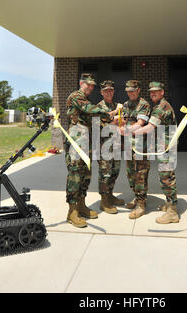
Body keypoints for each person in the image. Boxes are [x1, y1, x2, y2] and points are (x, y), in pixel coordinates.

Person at [65, 73, 121, 228]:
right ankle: (72, 212)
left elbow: (94, 118)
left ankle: (81, 205)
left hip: (86, 143)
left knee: (85, 176)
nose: (90, 87)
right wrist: (110, 116)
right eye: (87, 84)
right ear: (81, 83)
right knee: (75, 176)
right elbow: (91, 110)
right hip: (76, 144)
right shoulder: (76, 96)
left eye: (92, 86)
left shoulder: (86, 99)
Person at [132, 82, 179, 224]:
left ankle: (173, 213)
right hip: (163, 147)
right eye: (151, 92)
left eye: (156, 92)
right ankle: (169, 205)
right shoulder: (159, 106)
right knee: (165, 177)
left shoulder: (162, 107)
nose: (153, 94)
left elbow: (149, 128)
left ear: (162, 92)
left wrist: (128, 132)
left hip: (166, 149)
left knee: (167, 178)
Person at [119, 80, 152, 219]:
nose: (130, 93)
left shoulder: (143, 104)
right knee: (131, 174)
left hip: (141, 147)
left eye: (132, 90)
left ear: (138, 90)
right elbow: (123, 119)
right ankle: (137, 197)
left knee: (140, 175)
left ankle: (141, 204)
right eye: (128, 91)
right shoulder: (126, 105)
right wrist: (120, 123)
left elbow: (140, 123)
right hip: (128, 146)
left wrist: (126, 129)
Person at [97, 80, 125, 214]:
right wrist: (115, 118)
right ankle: (104, 201)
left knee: (115, 172)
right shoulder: (99, 107)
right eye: (106, 90)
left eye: (111, 90)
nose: (109, 92)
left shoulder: (116, 105)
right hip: (104, 146)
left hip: (116, 145)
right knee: (105, 173)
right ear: (101, 92)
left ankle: (110, 195)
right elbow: (99, 127)